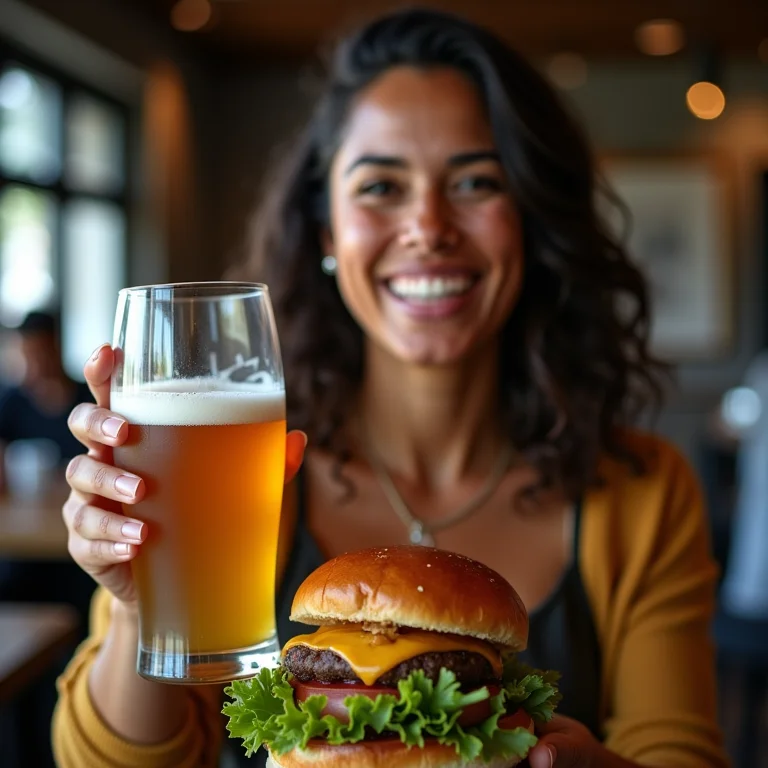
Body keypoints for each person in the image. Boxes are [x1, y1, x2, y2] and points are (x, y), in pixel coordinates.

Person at [52, 9, 729, 768]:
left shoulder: (643, 491)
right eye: (381, 186)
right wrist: (143, 606)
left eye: (476, 180)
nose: (428, 226)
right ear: (326, 236)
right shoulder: (239, 478)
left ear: (533, 221)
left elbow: (681, 752)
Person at [0, 310, 91, 490]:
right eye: (27, 355)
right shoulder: (12, 403)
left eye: (39, 353)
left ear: (56, 347)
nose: (34, 364)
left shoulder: (88, 400)